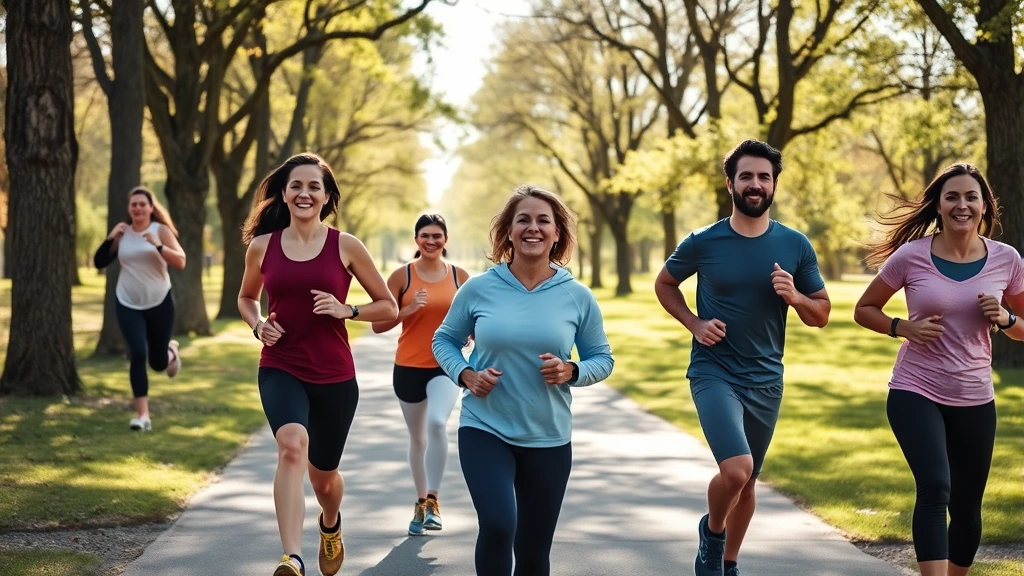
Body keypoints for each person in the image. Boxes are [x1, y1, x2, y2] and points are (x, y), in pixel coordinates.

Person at [653, 139, 830, 576]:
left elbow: (822, 314)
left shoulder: (795, 245)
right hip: (714, 370)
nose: (755, 184)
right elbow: (664, 284)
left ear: (774, 184)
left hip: (767, 377)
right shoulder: (702, 242)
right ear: (730, 182)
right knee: (736, 469)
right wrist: (694, 324)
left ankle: (727, 564)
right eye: (746, 176)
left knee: (747, 482)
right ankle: (712, 536)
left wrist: (795, 296)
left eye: (764, 177)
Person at [432, 185, 614, 576]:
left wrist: (573, 371)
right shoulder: (479, 288)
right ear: (509, 232)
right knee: (498, 525)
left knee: (533, 552)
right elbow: (444, 339)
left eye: (543, 220)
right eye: (523, 220)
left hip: (549, 436)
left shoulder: (578, 296)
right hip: (485, 427)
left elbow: (603, 358)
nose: (533, 228)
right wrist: (466, 374)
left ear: (557, 233)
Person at [853, 163, 1024, 576]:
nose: (961, 205)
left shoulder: (1007, 259)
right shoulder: (911, 256)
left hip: (975, 396)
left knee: (966, 507)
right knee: (935, 487)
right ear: (939, 205)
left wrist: (1003, 318)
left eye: (970, 197)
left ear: (985, 206)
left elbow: (1023, 329)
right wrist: (902, 326)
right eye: (952, 196)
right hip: (916, 390)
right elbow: (864, 309)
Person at [237, 153, 398, 576]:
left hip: (334, 375)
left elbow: (389, 307)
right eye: (296, 186)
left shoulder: (346, 246)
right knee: (291, 447)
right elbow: (246, 298)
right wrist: (258, 326)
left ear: (327, 196)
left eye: (314, 187)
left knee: (323, 478)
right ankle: (292, 556)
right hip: (280, 365)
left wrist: (348, 311)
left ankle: (330, 524)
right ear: (284, 194)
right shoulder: (262, 247)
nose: (304, 193)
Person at [371, 214, 470, 537]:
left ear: (446, 239)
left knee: (438, 423)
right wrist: (407, 310)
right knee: (418, 439)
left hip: (446, 365)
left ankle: (434, 500)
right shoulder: (402, 276)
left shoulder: (460, 277)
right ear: (416, 240)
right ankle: (419, 502)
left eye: (437, 235)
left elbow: (476, 316)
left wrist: (470, 333)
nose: (431, 241)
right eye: (425, 235)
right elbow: (378, 324)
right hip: (409, 366)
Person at [94, 186, 186, 432]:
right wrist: (111, 236)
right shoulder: (122, 234)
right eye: (133, 204)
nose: (137, 208)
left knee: (156, 363)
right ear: (129, 208)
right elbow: (99, 262)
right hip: (127, 302)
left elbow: (180, 261)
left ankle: (170, 353)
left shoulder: (160, 231)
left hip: (159, 301)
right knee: (136, 353)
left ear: (151, 208)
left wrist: (157, 245)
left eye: (142, 204)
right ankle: (143, 415)